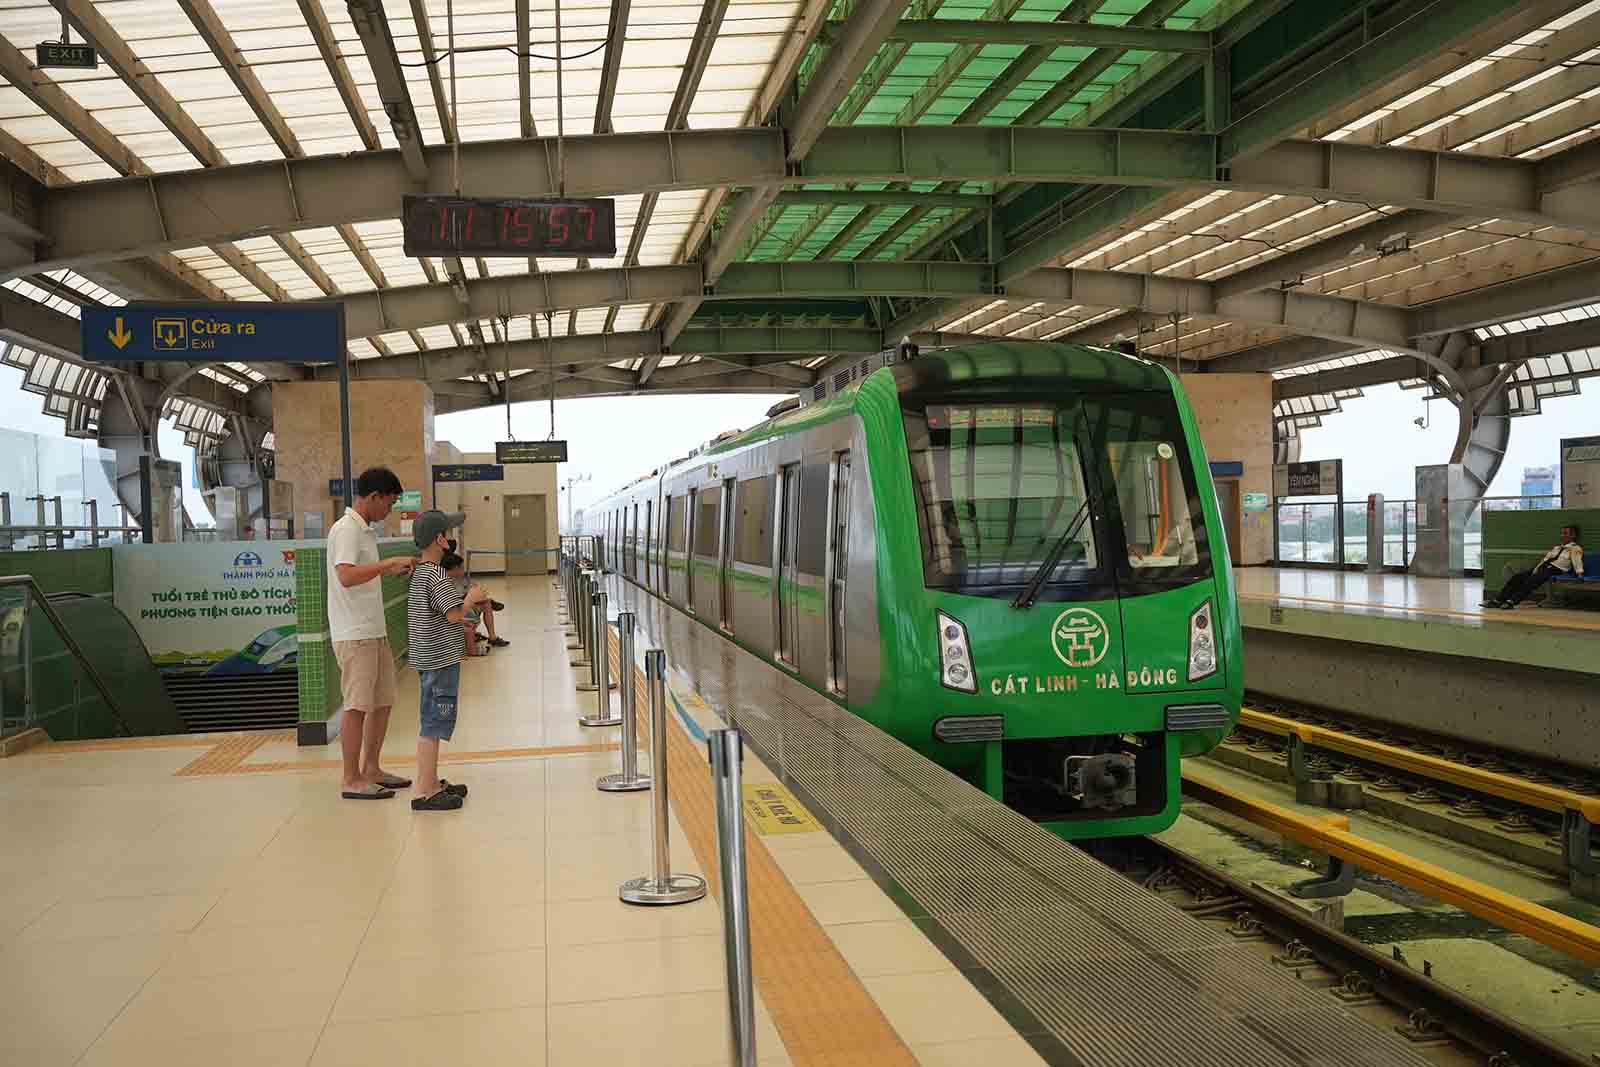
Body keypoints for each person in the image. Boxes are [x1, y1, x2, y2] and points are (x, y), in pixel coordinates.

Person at [328, 467, 416, 800]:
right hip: (354, 634)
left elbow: (359, 579)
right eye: (389, 504)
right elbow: (346, 576)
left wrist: (390, 570)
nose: (389, 511)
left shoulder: (365, 532)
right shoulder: (347, 530)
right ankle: (351, 778)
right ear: (374, 496)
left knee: (382, 702)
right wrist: (386, 565)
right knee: (357, 705)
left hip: (372, 630)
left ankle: (372, 768)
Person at [407, 510, 490, 811]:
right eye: (448, 533)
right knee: (433, 723)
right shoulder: (437, 575)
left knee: (433, 720)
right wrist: (472, 598)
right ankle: (425, 790)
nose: (450, 539)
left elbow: (437, 615)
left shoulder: (420, 572)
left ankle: (430, 779)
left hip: (428, 658)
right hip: (440, 660)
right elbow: (455, 614)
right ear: (440, 539)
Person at [1486, 525, 1584, 609]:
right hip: (1543, 567)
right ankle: (1498, 600)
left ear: (1573, 535)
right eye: (1562, 533)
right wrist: (1537, 568)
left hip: (1556, 569)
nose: (1563, 535)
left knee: (1531, 581)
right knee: (1517, 577)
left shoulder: (1575, 548)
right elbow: (1546, 559)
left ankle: (1512, 601)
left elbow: (1577, 561)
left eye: (1566, 533)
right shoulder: (1557, 548)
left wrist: (1579, 573)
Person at [441, 552, 508, 655]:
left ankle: (492, 637)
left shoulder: (459, 579)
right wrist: (471, 597)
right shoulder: (442, 583)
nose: (463, 570)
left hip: (459, 608)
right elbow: (451, 607)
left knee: (486, 603)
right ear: (455, 568)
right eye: (462, 567)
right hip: (452, 615)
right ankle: (470, 647)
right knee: (473, 616)